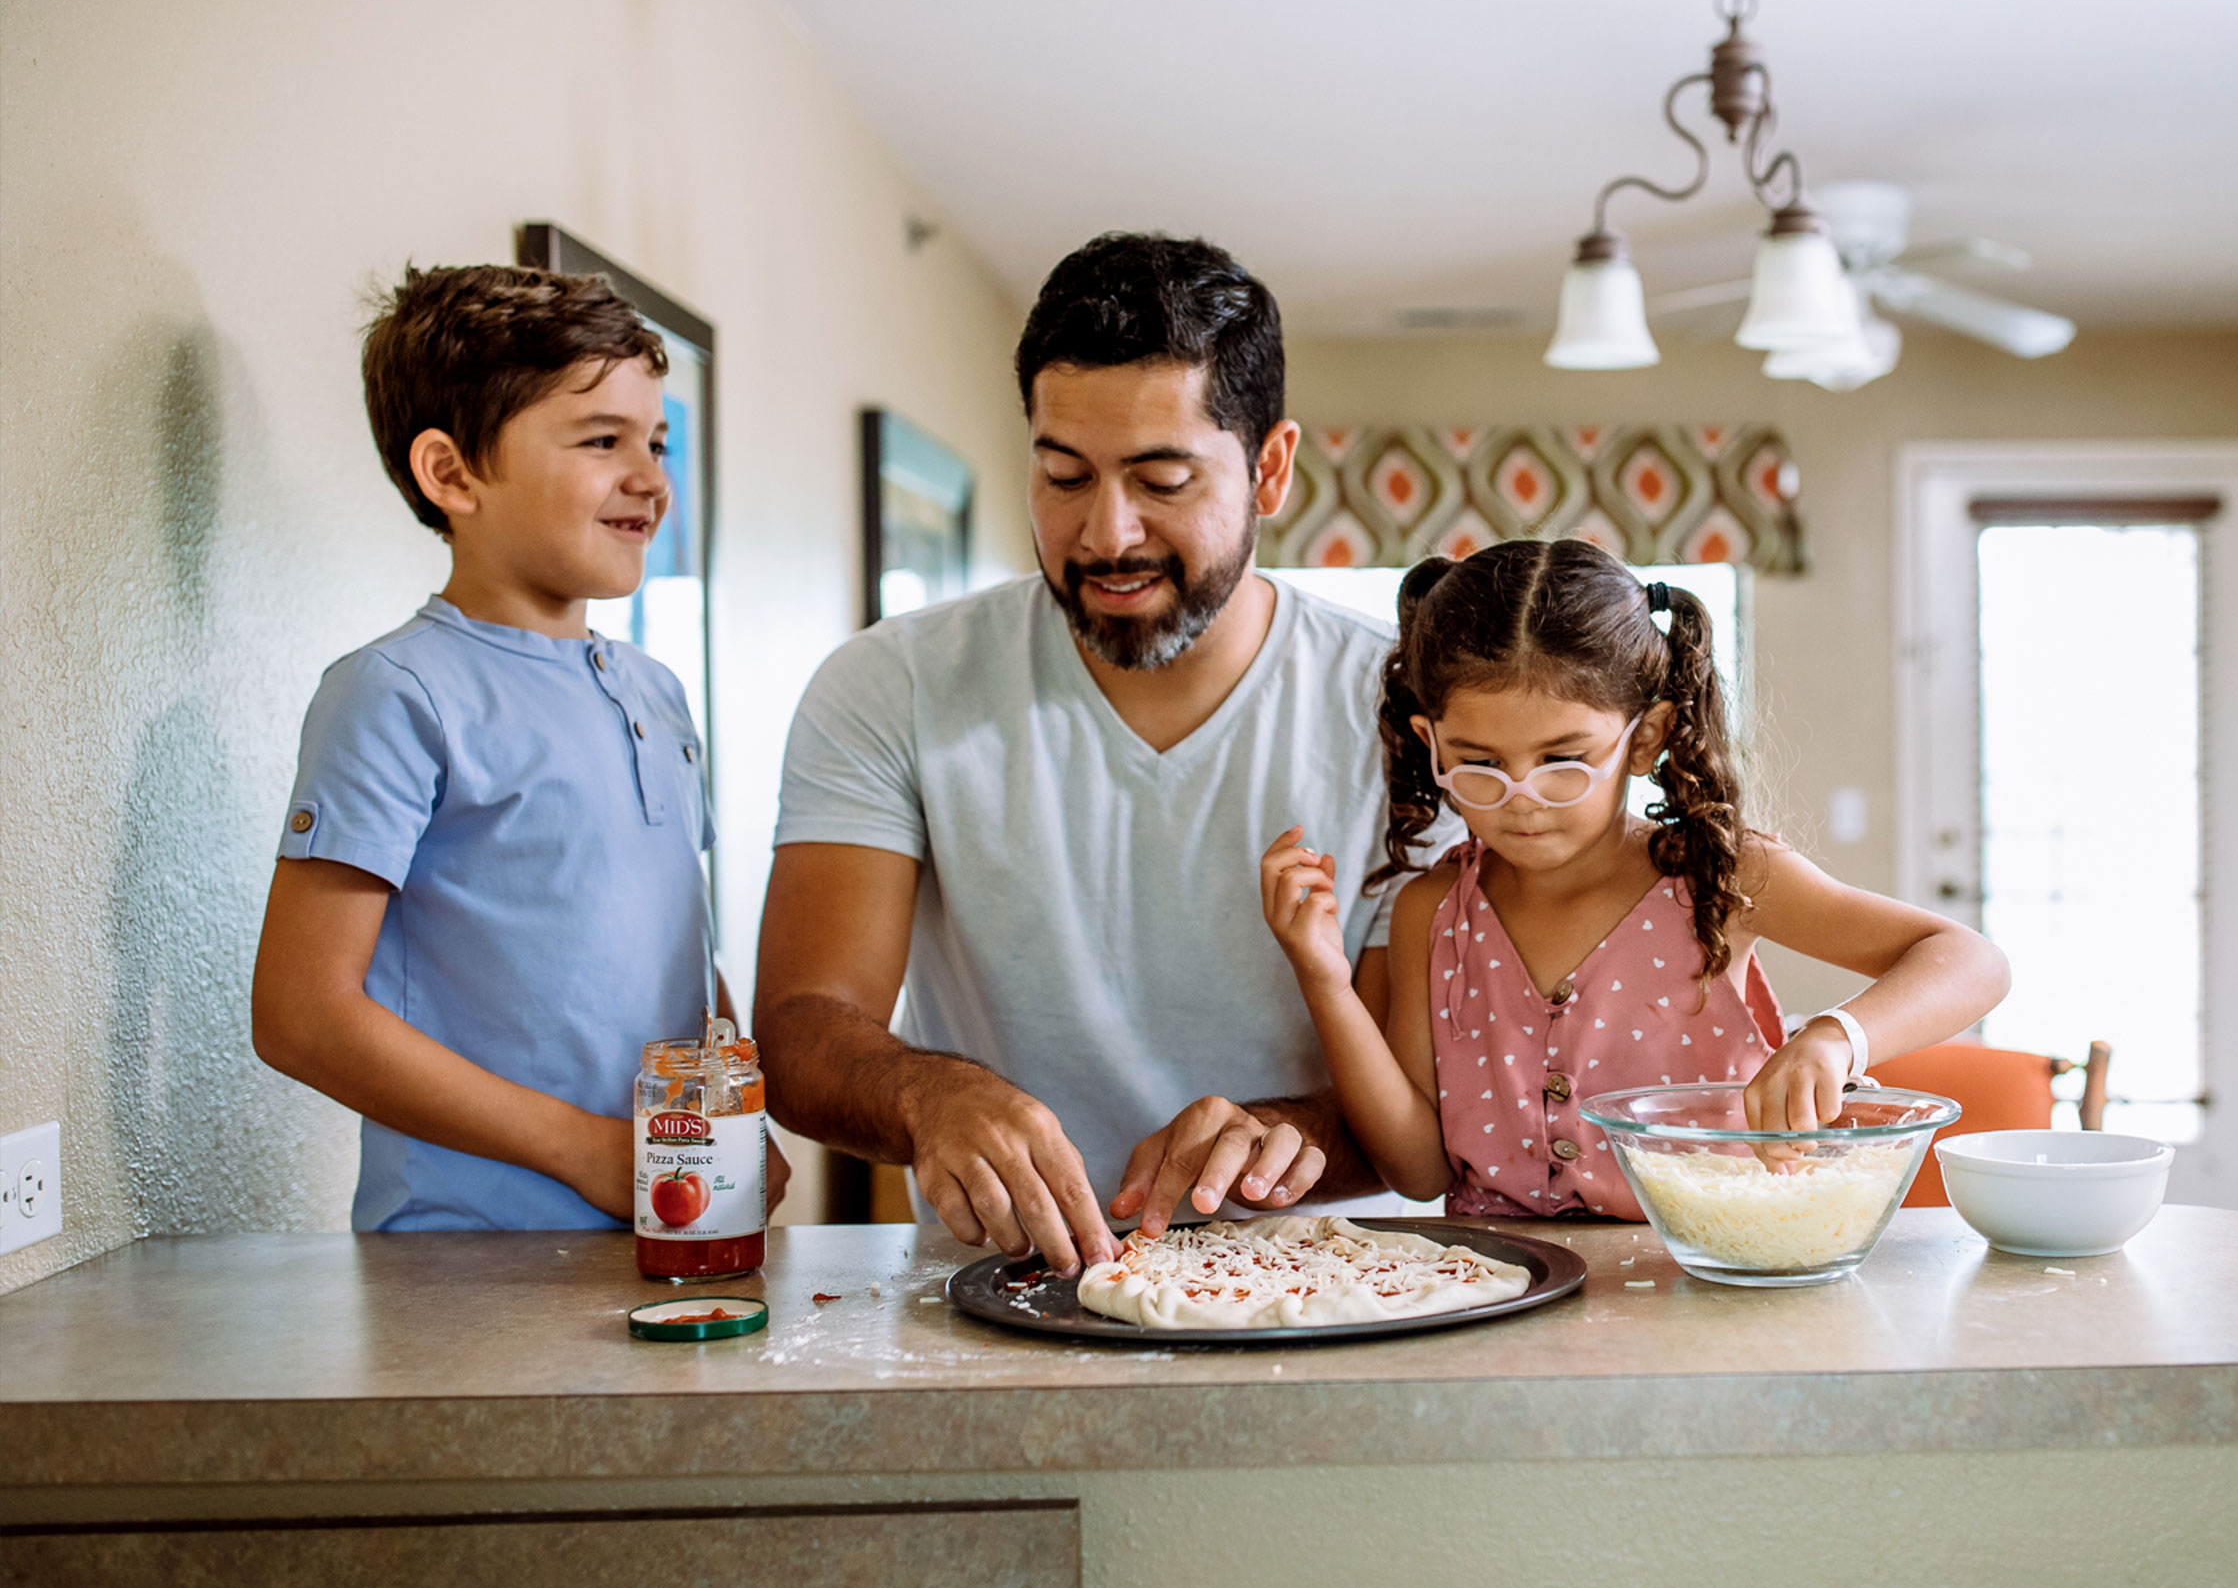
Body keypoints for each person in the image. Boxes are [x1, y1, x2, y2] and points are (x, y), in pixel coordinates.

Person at [755, 233, 1403, 1276]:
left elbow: (1437, 1093)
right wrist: (930, 1093)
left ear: (1271, 469)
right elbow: (798, 1031)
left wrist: (1299, 1135)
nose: (1107, 533)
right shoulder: (891, 686)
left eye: (1162, 479)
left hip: (1322, 1297)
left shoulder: (1405, 710)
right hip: (997, 1299)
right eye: (1064, 475)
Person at [1258, 539, 2011, 1217]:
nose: (1522, 800)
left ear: (1645, 735)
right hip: (1500, 1295)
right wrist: (1323, 977)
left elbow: (1972, 961)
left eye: (1563, 760)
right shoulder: (1432, 909)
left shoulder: (1719, 875)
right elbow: (1418, 1172)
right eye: (1479, 763)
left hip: (1708, 1286)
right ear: (1430, 742)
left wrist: (1834, 1039)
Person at [252, 264, 768, 1229]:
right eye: (602, 441)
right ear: (452, 473)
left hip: (668, 1225)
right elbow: (300, 1014)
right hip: (465, 1260)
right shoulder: (398, 694)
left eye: (655, 442)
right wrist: (580, 1148)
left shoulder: (656, 690)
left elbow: (677, 950)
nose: (652, 480)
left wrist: (734, 1112)